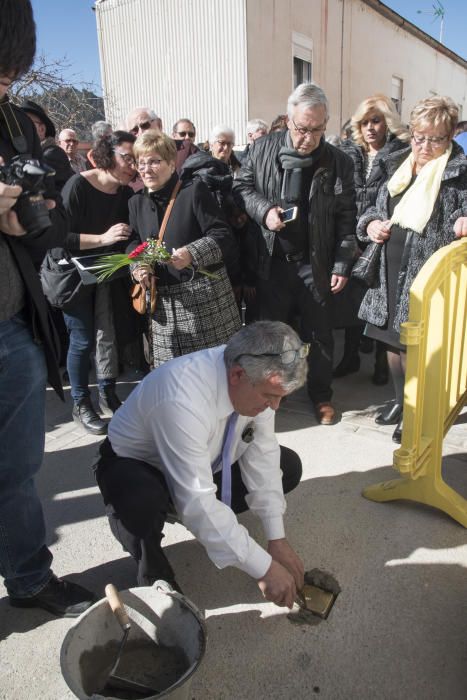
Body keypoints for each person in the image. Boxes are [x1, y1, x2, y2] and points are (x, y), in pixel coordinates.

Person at [96, 321, 306, 607]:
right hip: (140, 468)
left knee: (287, 465)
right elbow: (197, 501)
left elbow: (263, 457)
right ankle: (154, 573)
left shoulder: (258, 378)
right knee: (141, 499)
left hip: (205, 462)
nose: (275, 407)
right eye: (270, 397)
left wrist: (276, 539)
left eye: (280, 397)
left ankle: (206, 523)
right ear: (237, 375)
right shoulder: (181, 396)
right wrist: (264, 568)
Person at [0, 0, 95, 617]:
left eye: (6, 77)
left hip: (11, 330)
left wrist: (24, 214)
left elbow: (39, 225)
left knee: (16, 472)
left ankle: (30, 578)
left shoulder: (10, 121)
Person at [233, 82, 357, 425]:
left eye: (319, 129)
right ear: (289, 121)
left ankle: (321, 396)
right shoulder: (261, 150)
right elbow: (241, 188)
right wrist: (264, 211)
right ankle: (272, 393)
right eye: (303, 129)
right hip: (271, 261)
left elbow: (348, 216)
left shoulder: (338, 161)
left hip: (314, 262)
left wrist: (343, 263)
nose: (310, 137)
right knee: (271, 335)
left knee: (320, 335)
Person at [357, 95, 467, 443]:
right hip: (387, 270)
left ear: (450, 137)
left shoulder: (459, 172)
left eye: (435, 139)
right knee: (390, 343)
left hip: (424, 274)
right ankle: (399, 401)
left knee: (415, 347)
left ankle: (415, 410)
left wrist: (463, 220)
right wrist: (371, 224)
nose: (424, 146)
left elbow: (461, 214)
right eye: (419, 136)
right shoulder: (396, 163)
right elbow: (372, 208)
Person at [129, 131, 241, 367]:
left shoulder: (192, 191)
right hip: (163, 312)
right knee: (173, 381)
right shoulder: (135, 202)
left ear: (171, 163)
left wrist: (192, 253)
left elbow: (223, 235)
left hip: (204, 303)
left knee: (213, 376)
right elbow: (134, 244)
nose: (146, 169)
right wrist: (138, 267)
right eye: (141, 163)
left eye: (154, 161)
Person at [61, 131, 137, 434]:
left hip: (107, 274)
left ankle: (107, 393)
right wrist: (102, 239)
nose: (132, 166)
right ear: (107, 153)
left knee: (108, 335)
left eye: (136, 160)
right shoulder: (77, 185)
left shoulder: (125, 194)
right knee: (81, 340)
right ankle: (80, 402)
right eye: (127, 158)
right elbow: (57, 237)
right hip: (73, 275)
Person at [334, 94, 410, 383]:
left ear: (387, 122)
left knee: (380, 303)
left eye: (375, 121)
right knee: (352, 302)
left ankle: (381, 363)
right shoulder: (349, 153)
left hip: (383, 237)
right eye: (364, 122)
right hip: (351, 235)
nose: (370, 128)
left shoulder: (401, 154)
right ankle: (350, 356)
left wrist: (376, 226)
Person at [20, 99, 74, 190]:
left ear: (41, 129)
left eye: (26, 122)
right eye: (19, 123)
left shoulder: (51, 154)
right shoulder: (33, 153)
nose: (21, 127)